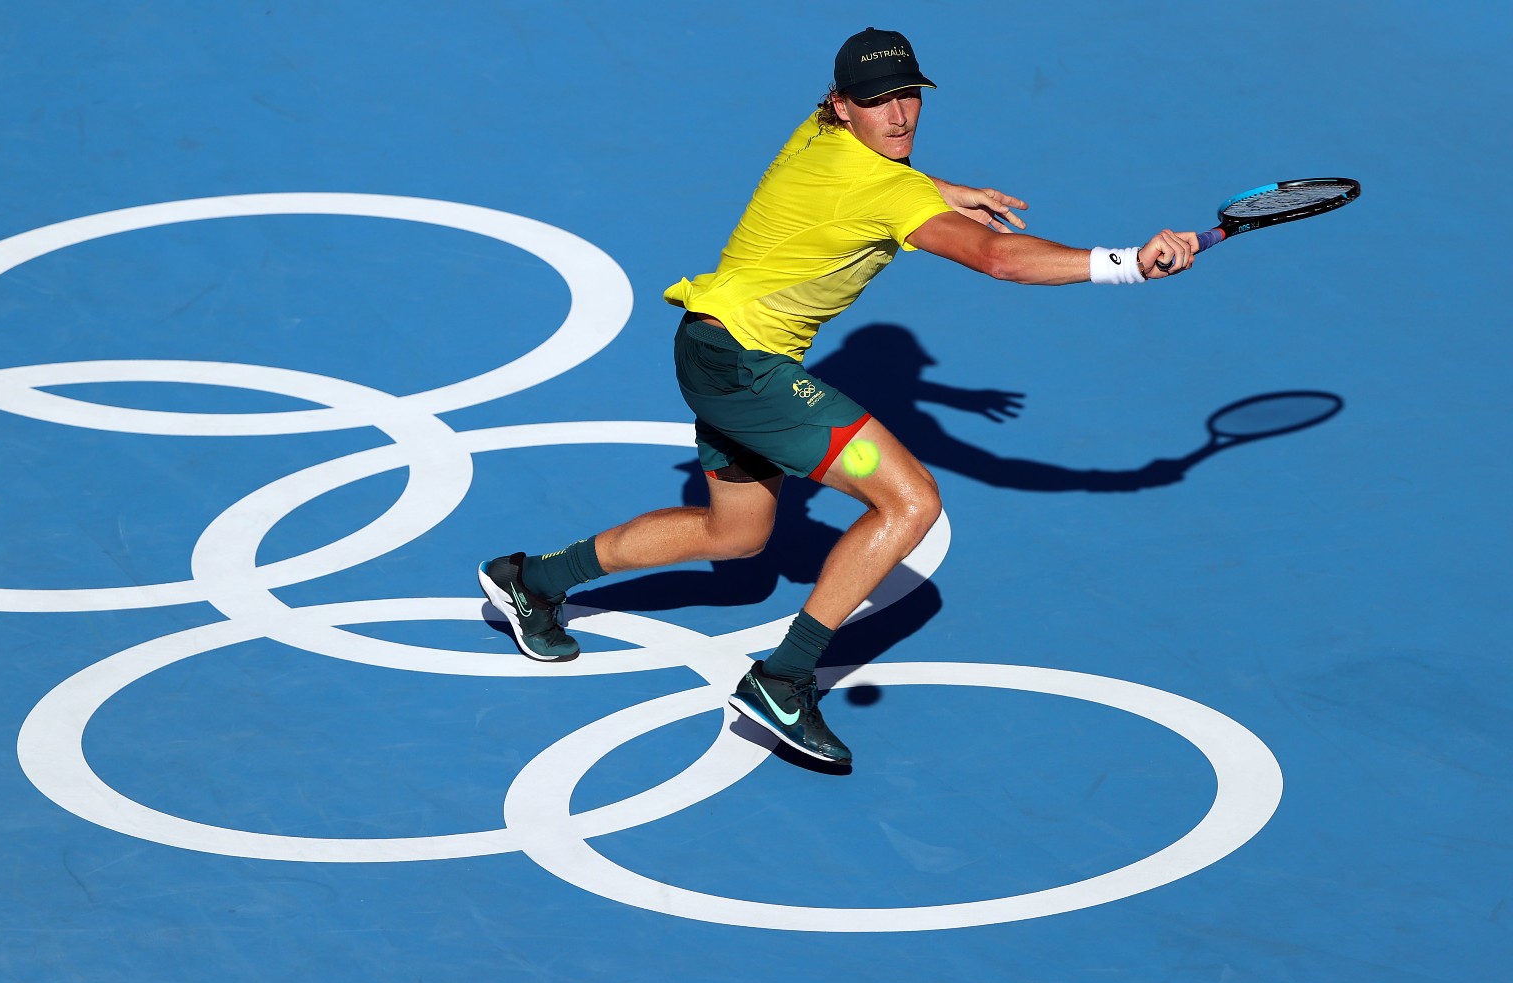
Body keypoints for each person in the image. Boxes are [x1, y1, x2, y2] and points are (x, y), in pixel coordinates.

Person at [478, 26, 1198, 765]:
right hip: (749, 368)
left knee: (735, 535)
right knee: (910, 501)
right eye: (877, 101)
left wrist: (945, 192)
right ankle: (783, 680)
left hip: (706, 348)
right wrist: (1128, 264)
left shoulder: (816, 136)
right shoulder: (890, 191)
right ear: (842, 105)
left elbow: (887, 179)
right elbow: (998, 258)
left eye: (908, 95)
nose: (899, 115)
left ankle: (533, 581)